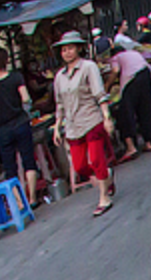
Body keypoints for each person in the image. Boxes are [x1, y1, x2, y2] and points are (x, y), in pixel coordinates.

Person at [52, 30, 118, 217]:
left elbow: (99, 93)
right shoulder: (59, 77)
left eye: (70, 48)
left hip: (91, 119)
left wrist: (106, 117)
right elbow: (59, 103)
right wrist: (57, 126)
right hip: (72, 126)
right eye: (64, 50)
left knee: (97, 159)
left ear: (78, 48)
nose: (67, 52)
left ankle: (104, 197)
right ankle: (107, 175)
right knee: (80, 166)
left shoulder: (89, 67)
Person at [0, 47, 41, 206]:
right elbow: (26, 98)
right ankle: (32, 198)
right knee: (28, 160)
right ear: (6, 61)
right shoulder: (16, 78)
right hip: (21, 122)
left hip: (3, 130)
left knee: (10, 167)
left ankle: (20, 203)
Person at [98, 36, 151, 157]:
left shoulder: (116, 58)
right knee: (146, 108)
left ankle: (130, 147)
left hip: (132, 80)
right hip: (145, 74)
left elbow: (115, 71)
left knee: (126, 111)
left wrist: (106, 87)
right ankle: (149, 142)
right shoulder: (132, 53)